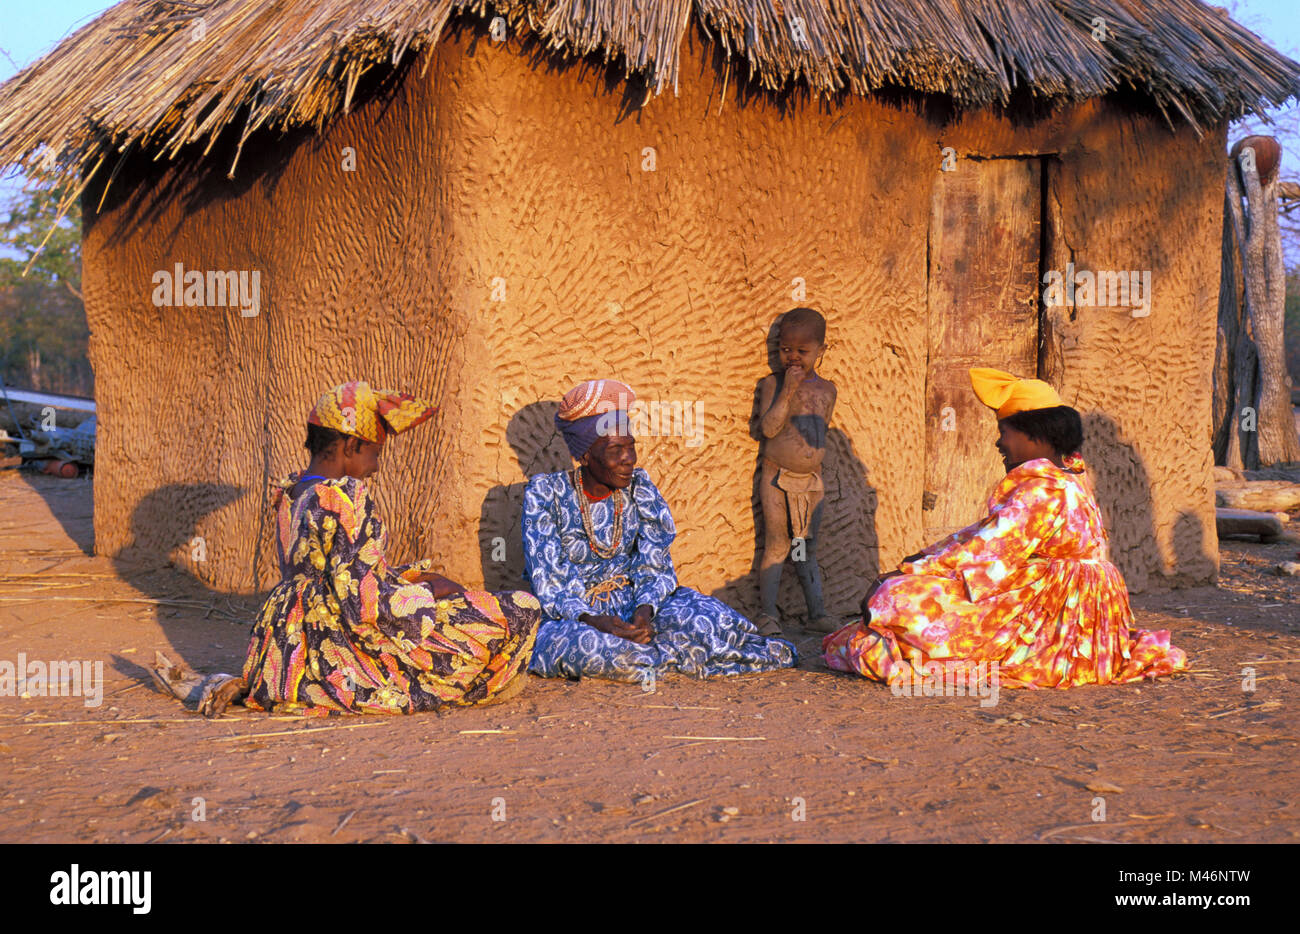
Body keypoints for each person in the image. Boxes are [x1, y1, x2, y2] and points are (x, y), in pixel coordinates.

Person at [823, 367, 1188, 689]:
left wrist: (908, 572)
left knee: (897, 598)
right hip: (1081, 613)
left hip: (1057, 605)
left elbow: (990, 552)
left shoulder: (1041, 489)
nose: (999, 442)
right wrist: (924, 560)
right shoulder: (1072, 477)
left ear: (1034, 435)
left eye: (1005, 431)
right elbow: (991, 541)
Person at [201, 381, 540, 716]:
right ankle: (469, 685)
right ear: (350, 445)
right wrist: (425, 592)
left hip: (288, 647)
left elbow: (334, 571)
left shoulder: (292, 492)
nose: (375, 466)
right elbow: (363, 603)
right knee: (521, 607)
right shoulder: (345, 496)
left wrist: (404, 577)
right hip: (338, 639)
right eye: (374, 453)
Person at [522, 379, 796, 682]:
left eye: (631, 447)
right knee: (586, 648)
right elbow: (550, 581)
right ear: (585, 455)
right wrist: (595, 620)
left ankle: (665, 654)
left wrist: (645, 610)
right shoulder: (546, 494)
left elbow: (654, 563)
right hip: (577, 617)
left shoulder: (639, 487)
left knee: (713, 621)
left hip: (638, 603)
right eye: (615, 450)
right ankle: (683, 655)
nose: (629, 459)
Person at [755, 307, 838, 636]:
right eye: (785, 350)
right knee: (777, 546)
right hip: (777, 478)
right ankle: (767, 615)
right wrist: (788, 391)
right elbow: (770, 429)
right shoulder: (770, 385)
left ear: (821, 350)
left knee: (805, 547)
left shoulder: (828, 390)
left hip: (810, 484)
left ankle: (816, 612)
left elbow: (820, 432)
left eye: (802, 351)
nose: (792, 358)